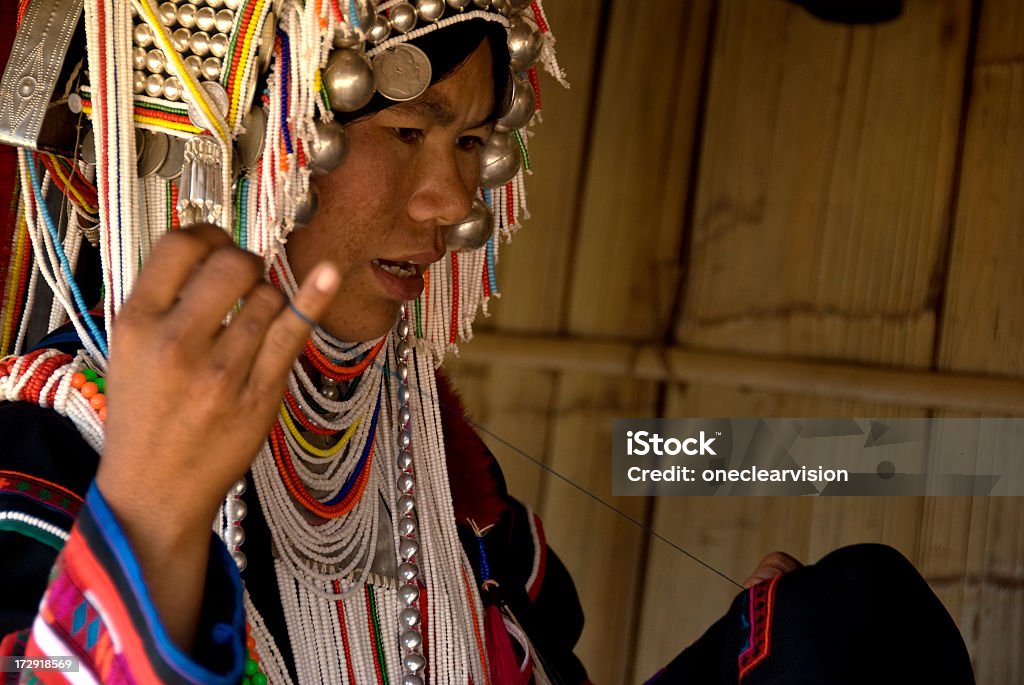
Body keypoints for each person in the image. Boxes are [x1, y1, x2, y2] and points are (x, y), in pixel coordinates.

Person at [0, 1, 975, 684]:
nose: (454, 204)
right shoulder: (54, 452)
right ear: (241, 137)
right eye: (406, 134)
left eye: (470, 144)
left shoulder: (431, 468)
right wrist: (153, 519)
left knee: (855, 627)